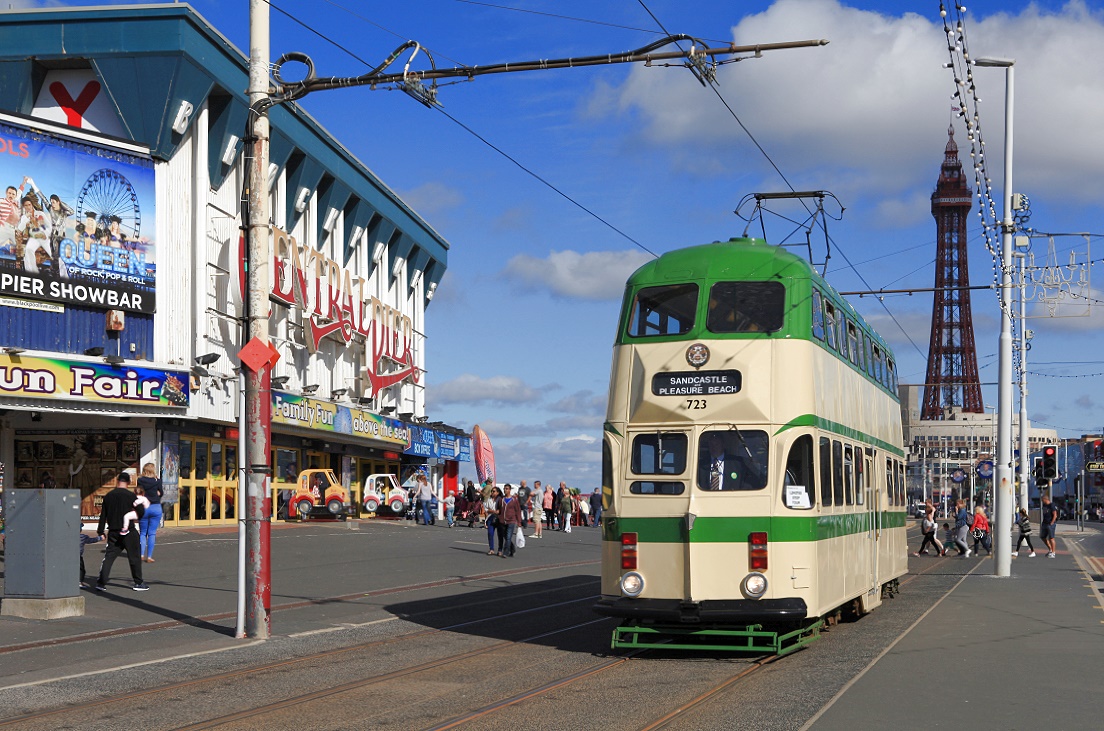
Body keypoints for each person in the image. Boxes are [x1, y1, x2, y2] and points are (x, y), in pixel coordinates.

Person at [96, 472, 148, 591]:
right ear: (128, 482)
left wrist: (100, 531)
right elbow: (141, 510)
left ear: (117, 481)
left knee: (109, 557)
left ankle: (101, 583)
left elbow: (103, 514)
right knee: (134, 556)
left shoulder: (108, 496)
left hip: (113, 531)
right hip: (128, 530)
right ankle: (138, 583)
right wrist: (135, 515)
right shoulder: (130, 496)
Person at [136, 463, 163, 562]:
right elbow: (161, 493)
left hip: (144, 507)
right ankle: (150, 556)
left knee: (143, 533)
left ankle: (141, 554)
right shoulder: (157, 481)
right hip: (156, 507)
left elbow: (138, 492)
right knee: (152, 533)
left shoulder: (140, 480)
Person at [500, 484, 522, 557]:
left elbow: (518, 510)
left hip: (511, 521)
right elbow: (499, 509)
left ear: (510, 490)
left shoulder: (514, 500)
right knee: (505, 537)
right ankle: (512, 549)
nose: (505, 490)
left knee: (509, 537)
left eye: (507, 489)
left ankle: (506, 552)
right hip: (503, 521)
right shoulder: (502, 499)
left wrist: (519, 521)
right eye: (504, 489)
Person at [483, 486, 500, 555]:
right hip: (490, 517)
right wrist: (493, 511)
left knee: (500, 535)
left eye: (494, 491)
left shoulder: (500, 499)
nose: (492, 492)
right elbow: (486, 510)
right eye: (492, 491)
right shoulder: (489, 499)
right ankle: (491, 549)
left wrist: (497, 511)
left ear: (497, 492)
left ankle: (500, 549)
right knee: (490, 533)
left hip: (499, 518)